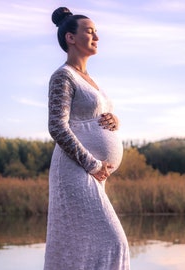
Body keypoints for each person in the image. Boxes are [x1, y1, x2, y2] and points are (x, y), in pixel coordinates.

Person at [44, 7, 130, 270]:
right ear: (71, 38)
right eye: (90, 31)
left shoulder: (91, 80)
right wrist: (93, 164)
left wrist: (115, 120)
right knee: (114, 243)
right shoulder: (63, 75)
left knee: (84, 247)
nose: (97, 37)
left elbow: (97, 114)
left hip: (91, 173)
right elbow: (57, 127)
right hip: (77, 170)